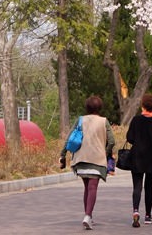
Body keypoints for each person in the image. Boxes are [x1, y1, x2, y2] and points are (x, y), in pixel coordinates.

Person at [60, 95, 115, 231]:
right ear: (100, 107)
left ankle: (88, 216)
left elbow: (69, 138)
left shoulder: (80, 120)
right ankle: (88, 216)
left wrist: (62, 154)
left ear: (87, 107)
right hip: (97, 159)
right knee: (92, 188)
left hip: (80, 159)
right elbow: (112, 141)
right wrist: (106, 152)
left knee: (87, 188)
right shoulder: (104, 121)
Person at [126, 93, 152, 227]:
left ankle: (135, 211)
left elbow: (130, 138)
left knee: (137, 186)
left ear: (143, 106)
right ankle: (148, 216)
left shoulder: (136, 120)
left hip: (137, 157)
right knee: (149, 186)